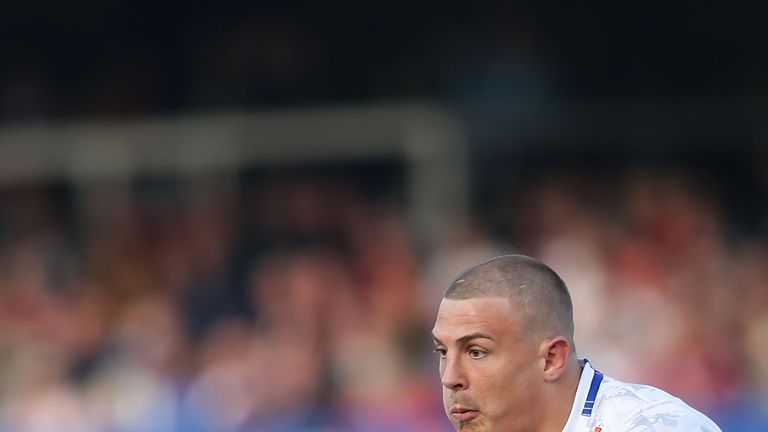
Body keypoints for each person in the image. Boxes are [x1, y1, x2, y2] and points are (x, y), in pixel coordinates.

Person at [431, 254, 722, 432]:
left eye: (476, 352)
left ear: (551, 359)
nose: (450, 378)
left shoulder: (653, 427)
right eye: (442, 351)